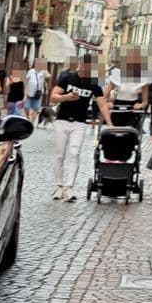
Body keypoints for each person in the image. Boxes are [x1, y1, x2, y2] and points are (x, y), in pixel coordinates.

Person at [50, 55, 112, 202]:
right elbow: (53, 97)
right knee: (60, 155)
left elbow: (102, 104)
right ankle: (58, 186)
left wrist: (109, 123)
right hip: (62, 120)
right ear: (81, 65)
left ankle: (69, 187)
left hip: (79, 123)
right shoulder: (67, 77)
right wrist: (66, 97)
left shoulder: (94, 84)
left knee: (74, 153)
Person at [25, 58, 49, 124]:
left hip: (38, 93)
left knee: (35, 108)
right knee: (26, 107)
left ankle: (31, 122)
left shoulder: (43, 72)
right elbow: (26, 81)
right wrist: (25, 92)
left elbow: (48, 76)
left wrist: (45, 68)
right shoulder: (31, 71)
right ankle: (28, 118)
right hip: (29, 92)